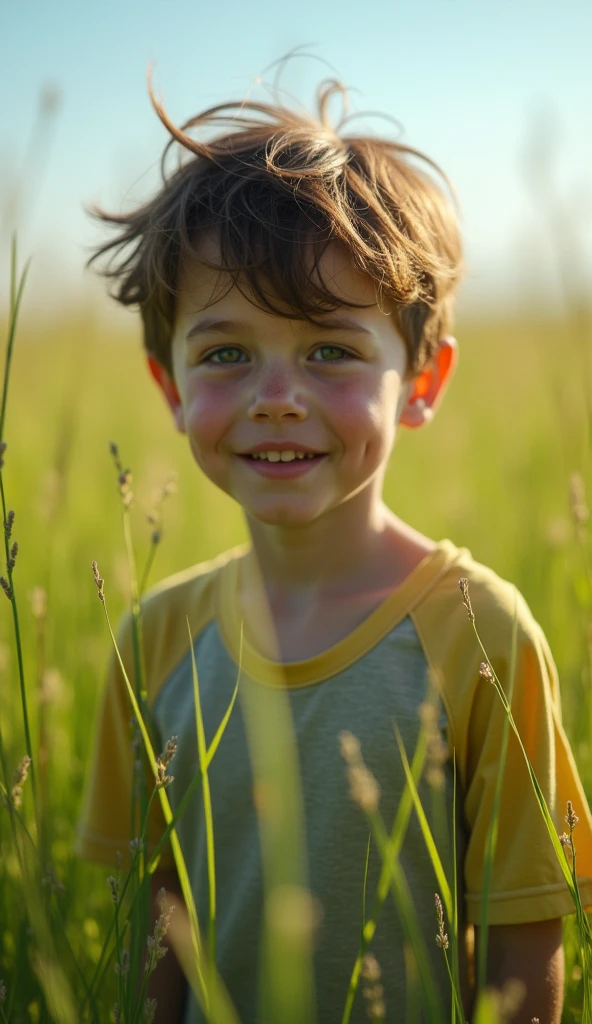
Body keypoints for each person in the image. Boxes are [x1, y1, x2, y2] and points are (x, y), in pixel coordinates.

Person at [76, 72, 592, 1024]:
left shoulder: (481, 636)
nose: (279, 395)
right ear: (170, 385)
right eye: (226, 353)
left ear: (424, 377)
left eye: (331, 350)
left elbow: (525, 951)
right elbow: (152, 934)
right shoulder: (154, 639)